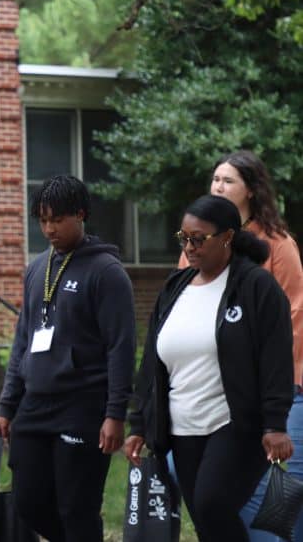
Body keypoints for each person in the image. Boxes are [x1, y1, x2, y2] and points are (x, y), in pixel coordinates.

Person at [126, 194, 294, 542]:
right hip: (182, 427)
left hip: (235, 424)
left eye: (199, 239)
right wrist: (139, 423)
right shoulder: (175, 287)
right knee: (205, 522)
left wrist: (275, 423)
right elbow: (151, 362)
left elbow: (276, 358)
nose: (190, 247)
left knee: (212, 505)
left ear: (227, 237)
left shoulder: (255, 287)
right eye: (184, 238)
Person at [0, 175, 135, 542]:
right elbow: (23, 339)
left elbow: (120, 347)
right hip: (34, 407)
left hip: (82, 407)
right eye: (42, 220)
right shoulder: (37, 268)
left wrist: (115, 414)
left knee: (77, 508)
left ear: (81, 215)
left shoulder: (107, 273)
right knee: (29, 503)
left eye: (57, 220)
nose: (49, 229)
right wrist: (7, 406)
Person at [176, 151, 303, 542]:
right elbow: (182, 308)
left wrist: (276, 383)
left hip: (282, 385)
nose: (218, 186)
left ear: (251, 190)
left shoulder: (277, 245)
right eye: (215, 179)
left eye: (228, 181)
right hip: (213, 389)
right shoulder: (195, 246)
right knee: (212, 490)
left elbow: (295, 316)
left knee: (286, 481)